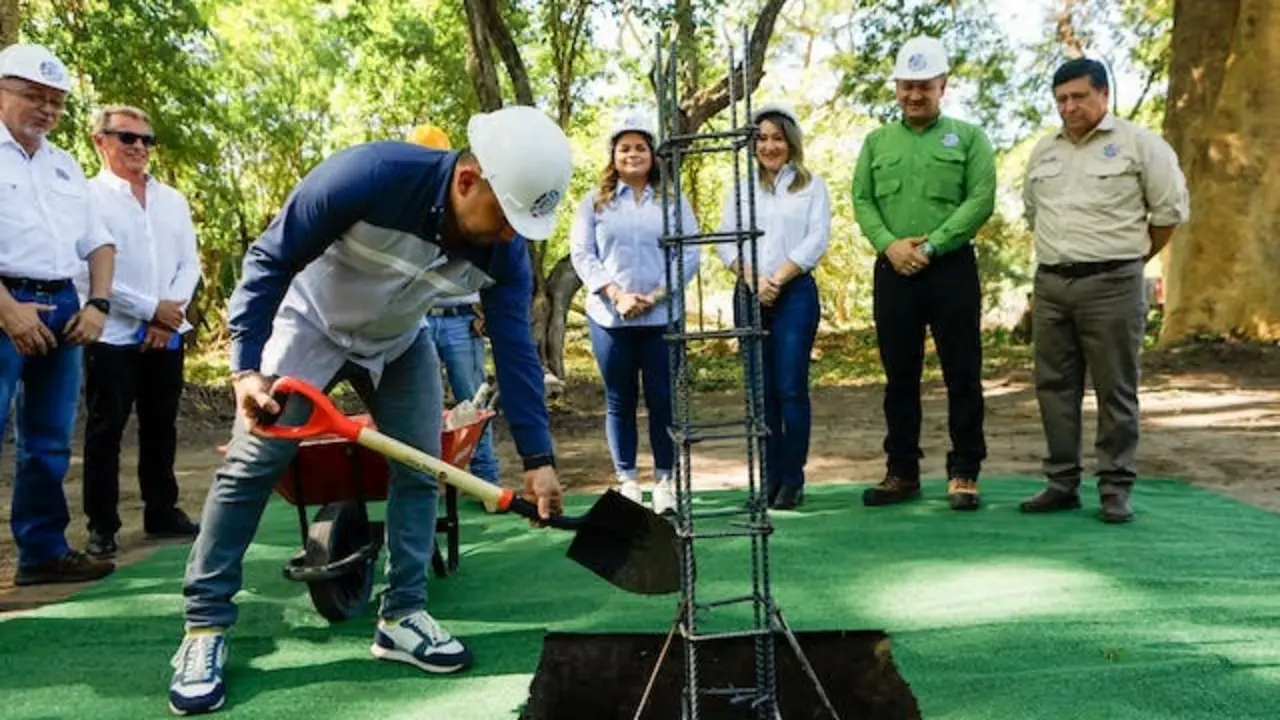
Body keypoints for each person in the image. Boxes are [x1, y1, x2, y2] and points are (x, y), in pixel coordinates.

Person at [167, 105, 573, 716]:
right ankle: (203, 628)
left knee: (421, 468)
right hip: (310, 326)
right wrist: (246, 369)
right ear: (468, 181)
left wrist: (539, 459)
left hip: (401, 341)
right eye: (508, 217)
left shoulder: (504, 253)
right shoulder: (369, 175)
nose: (513, 235)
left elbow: (515, 349)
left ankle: (403, 614)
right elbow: (269, 259)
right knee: (255, 460)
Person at [1018, 58, 1189, 524]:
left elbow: (1168, 215)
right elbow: (1035, 213)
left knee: (1115, 389)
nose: (1068, 107)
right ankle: (1061, 483)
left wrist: (1127, 262)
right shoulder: (1044, 152)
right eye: (1060, 100)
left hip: (1114, 282)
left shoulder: (1140, 146)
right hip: (1052, 283)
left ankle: (1115, 488)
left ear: (1103, 95)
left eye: (1077, 97)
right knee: (1054, 387)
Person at [851, 36, 996, 512]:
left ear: (943, 86)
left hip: (950, 267)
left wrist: (931, 246)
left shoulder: (970, 138)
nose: (915, 95)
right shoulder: (876, 142)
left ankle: (964, 472)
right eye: (907, 86)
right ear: (896, 87)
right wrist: (890, 246)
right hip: (893, 268)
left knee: (962, 372)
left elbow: (980, 200)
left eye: (925, 87)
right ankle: (902, 472)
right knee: (900, 375)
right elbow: (863, 199)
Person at [0, 44, 118, 586]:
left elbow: (99, 243)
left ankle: (42, 551)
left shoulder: (64, 164)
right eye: (33, 96)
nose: (46, 110)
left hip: (63, 308)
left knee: (48, 442)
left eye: (56, 101)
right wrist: (9, 313)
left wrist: (97, 305)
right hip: (5, 303)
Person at [80, 105, 202, 560]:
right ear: (100, 141)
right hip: (112, 331)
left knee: (160, 424)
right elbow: (88, 267)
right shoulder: (87, 197)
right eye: (126, 137)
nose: (138, 148)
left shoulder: (173, 199)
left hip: (166, 331)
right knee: (105, 428)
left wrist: (167, 314)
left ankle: (162, 509)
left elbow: (188, 264)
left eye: (146, 140)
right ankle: (102, 525)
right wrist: (150, 309)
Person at [569, 114, 700, 515]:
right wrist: (616, 293)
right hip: (611, 318)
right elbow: (582, 253)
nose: (632, 154)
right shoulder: (595, 202)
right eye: (624, 147)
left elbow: (690, 251)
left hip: (662, 316)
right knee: (619, 400)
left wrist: (657, 295)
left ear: (652, 154)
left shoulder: (673, 200)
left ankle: (665, 480)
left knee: (663, 400)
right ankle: (627, 480)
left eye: (640, 147)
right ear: (613, 155)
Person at [714, 102, 831, 510]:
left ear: (790, 141)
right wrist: (752, 279)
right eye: (761, 138)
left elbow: (816, 240)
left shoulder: (811, 185)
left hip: (794, 293)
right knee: (759, 393)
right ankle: (767, 480)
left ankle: (792, 480)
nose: (769, 145)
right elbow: (726, 240)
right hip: (750, 292)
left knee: (790, 388)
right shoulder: (741, 189)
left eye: (776, 137)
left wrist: (778, 279)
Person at [407, 121, 500, 486]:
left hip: (462, 318)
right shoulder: (408, 202)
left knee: (472, 402)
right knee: (418, 404)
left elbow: (495, 268)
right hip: (420, 317)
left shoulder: (465, 198)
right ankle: (425, 481)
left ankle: (486, 479)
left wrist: (485, 313)